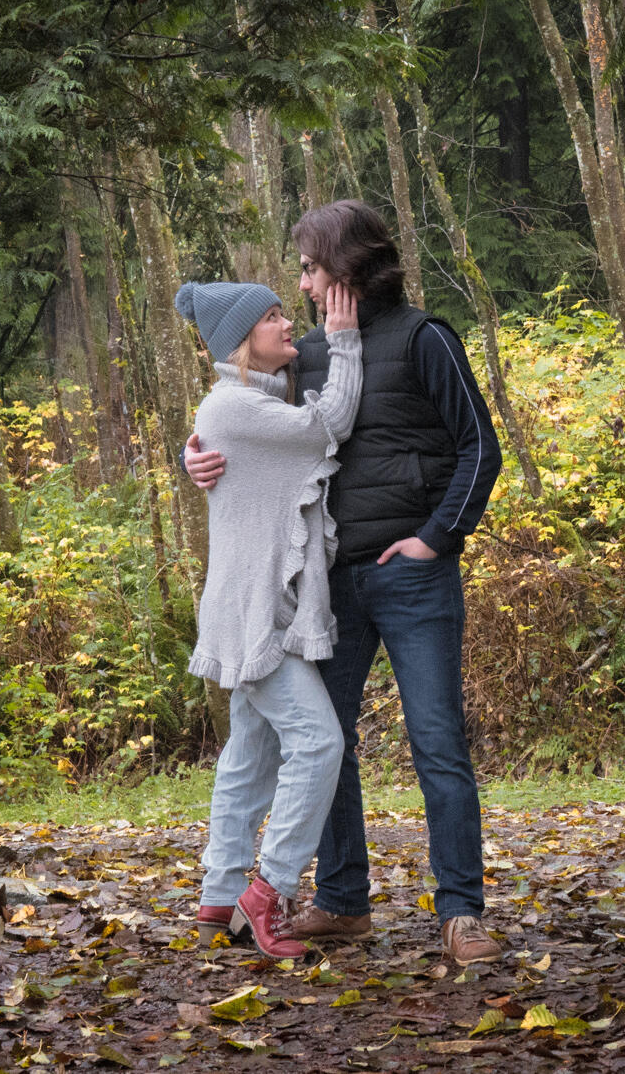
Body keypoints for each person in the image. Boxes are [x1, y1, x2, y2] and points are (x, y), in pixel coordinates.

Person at [185, 200, 504, 965]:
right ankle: (342, 901)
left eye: (309, 268)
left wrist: (434, 539)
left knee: (437, 742)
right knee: (329, 745)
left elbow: (480, 449)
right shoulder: (307, 356)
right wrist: (194, 456)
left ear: (347, 265)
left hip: (413, 577)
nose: (301, 284)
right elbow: (245, 419)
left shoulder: (426, 339)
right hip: (327, 588)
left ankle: (461, 913)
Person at [173, 275, 364, 960]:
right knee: (318, 743)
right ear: (240, 341)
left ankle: (218, 896)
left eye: (288, 311)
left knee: (250, 758)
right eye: (273, 316)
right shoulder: (234, 405)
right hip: (257, 616)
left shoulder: (244, 404)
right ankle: (269, 892)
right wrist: (344, 341)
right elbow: (327, 424)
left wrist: (188, 453)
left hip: (261, 608)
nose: (288, 324)